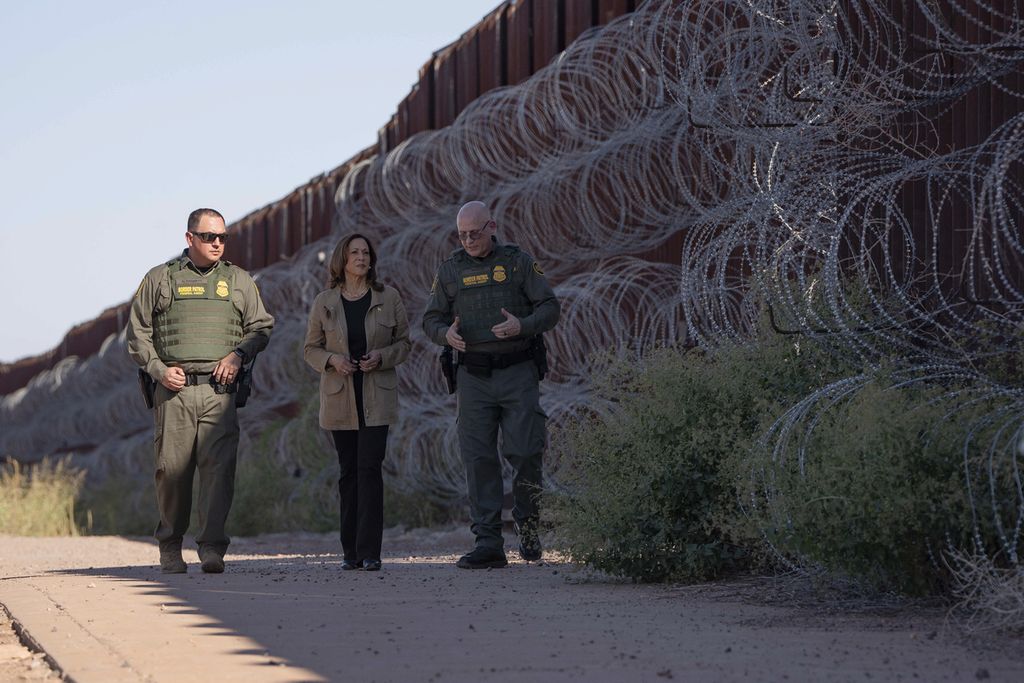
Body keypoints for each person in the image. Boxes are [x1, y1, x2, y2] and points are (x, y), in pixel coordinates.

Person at [127, 207, 274, 574]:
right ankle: (171, 547)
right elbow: (138, 333)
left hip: (219, 391)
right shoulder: (160, 279)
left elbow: (261, 327)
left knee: (218, 471)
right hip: (174, 392)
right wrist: (159, 370)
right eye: (209, 237)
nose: (217, 244)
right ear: (190, 238)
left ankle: (211, 548)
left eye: (223, 237)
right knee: (172, 472)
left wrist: (239, 354)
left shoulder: (238, 281)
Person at [422, 200, 560, 569]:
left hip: (517, 370)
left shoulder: (518, 263)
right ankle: (488, 542)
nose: (468, 240)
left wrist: (523, 325)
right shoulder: (450, 270)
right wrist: (444, 335)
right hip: (473, 376)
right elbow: (429, 319)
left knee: (527, 450)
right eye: (462, 234)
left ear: (492, 227)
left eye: (475, 233)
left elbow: (550, 307)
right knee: (479, 458)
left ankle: (528, 528)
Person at [304, 233, 410, 571]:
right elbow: (310, 349)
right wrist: (333, 361)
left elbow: (405, 343)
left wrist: (382, 356)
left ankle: (370, 552)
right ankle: (349, 551)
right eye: (355, 252)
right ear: (342, 259)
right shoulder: (325, 302)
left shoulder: (388, 297)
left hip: (377, 395)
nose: (362, 258)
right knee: (348, 471)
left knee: (370, 468)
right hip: (340, 397)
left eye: (366, 252)